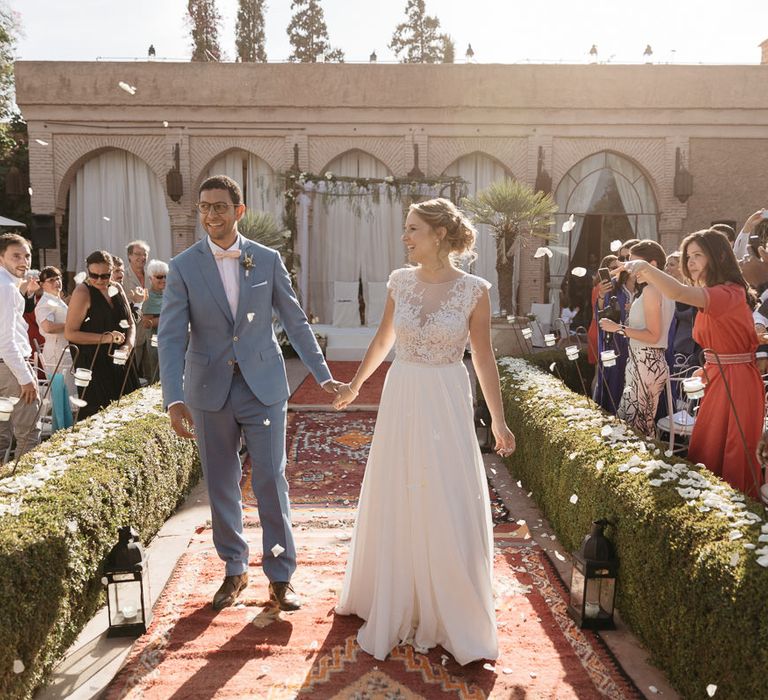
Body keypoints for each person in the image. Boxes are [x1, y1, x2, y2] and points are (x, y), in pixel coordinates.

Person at [332, 197, 516, 665]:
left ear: (438, 234)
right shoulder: (399, 282)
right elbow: (383, 339)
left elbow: (484, 357)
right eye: (405, 229)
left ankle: (448, 602)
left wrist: (497, 418)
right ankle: (395, 592)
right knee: (400, 488)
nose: (405, 237)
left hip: (447, 397)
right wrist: (355, 384)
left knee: (445, 491)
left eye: (412, 229)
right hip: (404, 392)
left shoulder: (475, 289)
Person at [159, 174, 341, 612]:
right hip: (207, 390)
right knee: (220, 483)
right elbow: (169, 337)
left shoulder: (267, 259)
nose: (210, 215)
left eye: (220, 206)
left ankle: (281, 576)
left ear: (239, 211)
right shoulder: (183, 266)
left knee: (271, 480)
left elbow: (294, 321)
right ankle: (233, 570)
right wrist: (174, 397)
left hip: (263, 387)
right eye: (204, 207)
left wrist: (323, 375)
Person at [616, 229, 764, 498]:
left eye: (698, 255)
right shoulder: (716, 293)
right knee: (708, 449)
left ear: (718, 256)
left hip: (737, 383)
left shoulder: (727, 293)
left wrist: (643, 268)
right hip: (718, 377)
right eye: (688, 255)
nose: (691, 261)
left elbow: (678, 291)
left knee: (730, 454)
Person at [600, 240, 674, 438]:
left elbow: (653, 335)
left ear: (653, 264)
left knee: (632, 431)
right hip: (650, 362)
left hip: (645, 363)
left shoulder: (651, 291)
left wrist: (618, 328)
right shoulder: (666, 288)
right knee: (641, 426)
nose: (632, 271)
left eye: (635, 265)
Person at [64, 250, 138, 419]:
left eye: (105, 276)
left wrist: (128, 346)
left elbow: (131, 322)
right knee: (100, 415)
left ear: (112, 271)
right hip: (93, 362)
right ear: (87, 271)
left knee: (128, 411)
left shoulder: (117, 287)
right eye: (93, 275)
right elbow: (70, 333)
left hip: (121, 358)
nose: (99, 280)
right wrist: (106, 338)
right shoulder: (82, 292)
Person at [0, 233, 41, 461]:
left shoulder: (7, 285)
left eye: (27, 256)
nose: (24, 261)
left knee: (1, 438)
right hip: (11, 369)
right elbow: (6, 341)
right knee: (29, 436)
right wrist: (26, 377)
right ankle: (27, 493)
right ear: (1, 258)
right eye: (16, 256)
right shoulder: (5, 287)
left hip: (5, 367)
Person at [593, 254, 630, 413]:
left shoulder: (639, 288)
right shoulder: (609, 288)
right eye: (613, 267)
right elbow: (599, 314)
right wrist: (601, 295)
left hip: (635, 342)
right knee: (609, 379)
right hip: (613, 340)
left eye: (619, 265)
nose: (617, 269)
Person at [124, 240, 150, 377]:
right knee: (132, 376)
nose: (142, 257)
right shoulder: (123, 277)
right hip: (132, 335)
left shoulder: (152, 276)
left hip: (151, 335)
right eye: (137, 254)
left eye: (144, 254)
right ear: (129, 256)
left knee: (152, 377)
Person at [140, 259, 168, 383]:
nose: (163, 280)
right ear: (151, 278)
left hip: (171, 339)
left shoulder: (169, 293)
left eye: (166, 276)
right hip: (156, 341)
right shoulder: (147, 296)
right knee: (157, 376)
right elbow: (146, 323)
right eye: (159, 277)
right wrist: (168, 318)